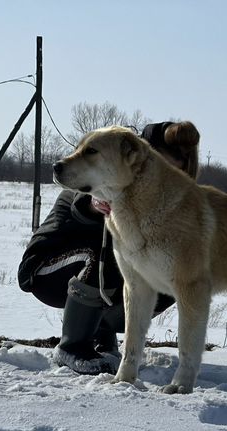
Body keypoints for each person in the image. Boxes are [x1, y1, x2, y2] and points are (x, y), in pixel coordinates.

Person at [18, 121, 200, 375]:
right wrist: (95, 203)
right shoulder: (107, 175)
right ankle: (72, 346)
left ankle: (100, 332)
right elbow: (79, 205)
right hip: (44, 270)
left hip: (91, 277)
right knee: (106, 252)